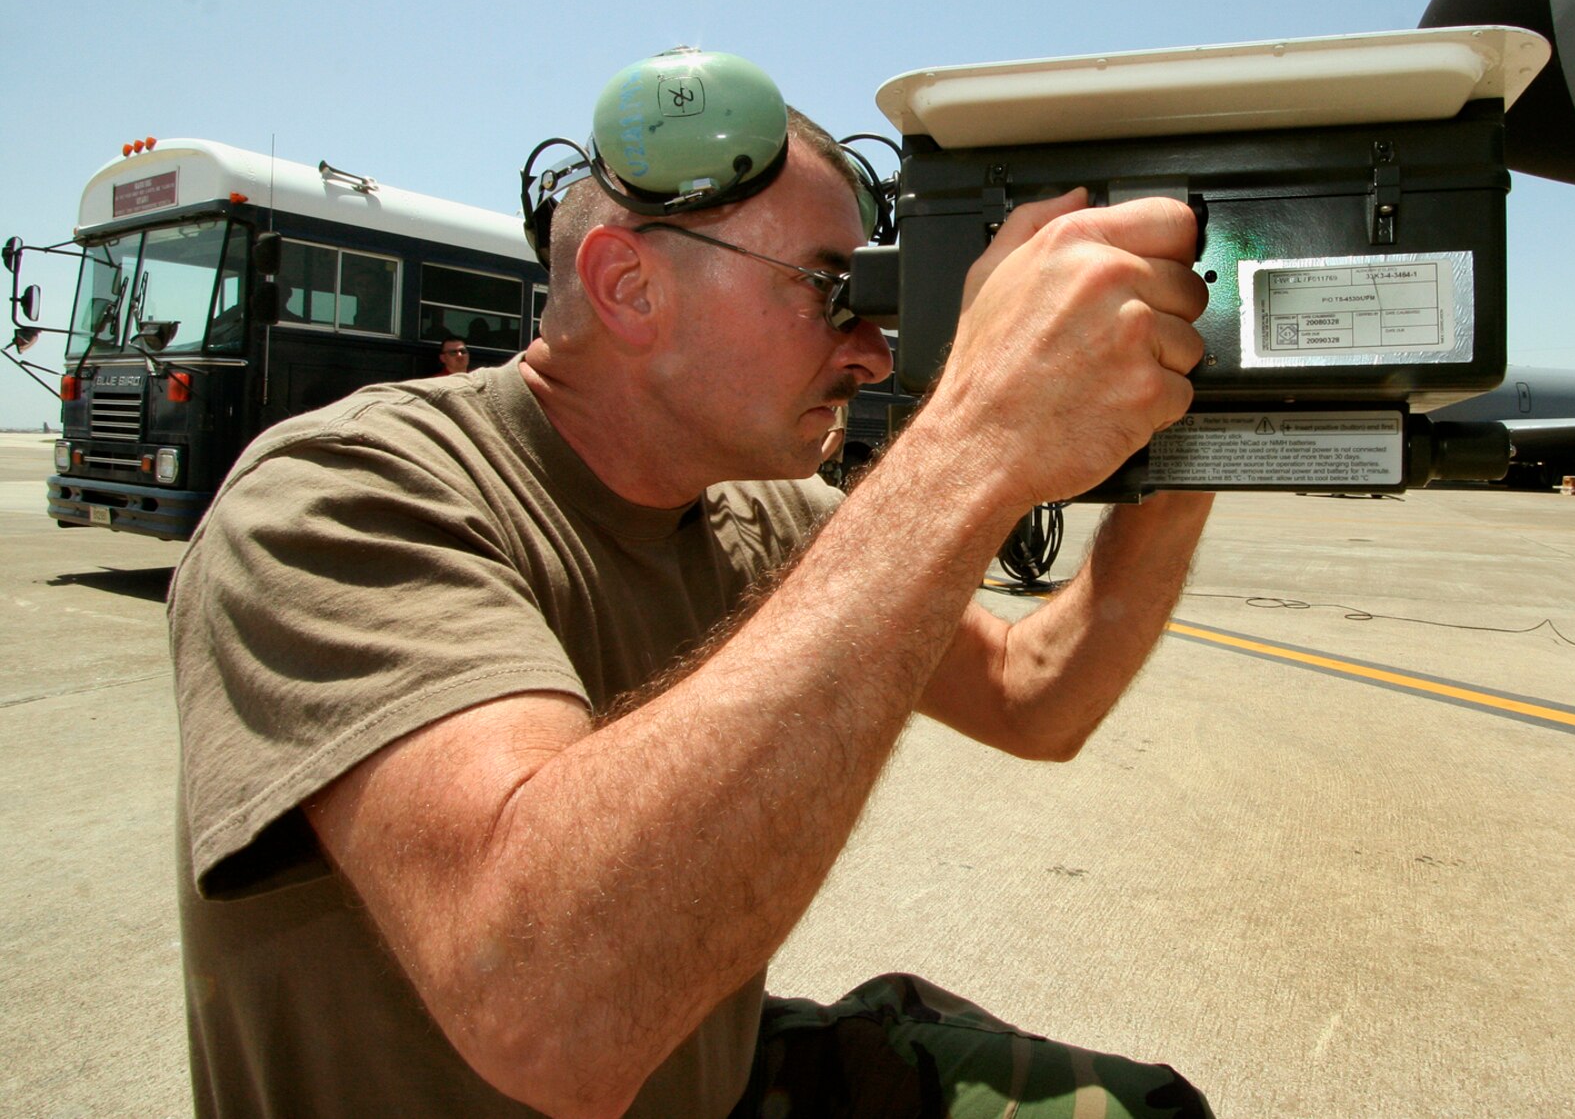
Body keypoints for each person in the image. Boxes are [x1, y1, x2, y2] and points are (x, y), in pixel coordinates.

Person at [169, 55, 1214, 1118]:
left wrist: (1189, 435)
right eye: (829, 290)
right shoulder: (340, 497)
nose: (869, 349)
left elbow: (1034, 692)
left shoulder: (752, 516)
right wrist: (971, 436)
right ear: (630, 287)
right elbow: (546, 1006)